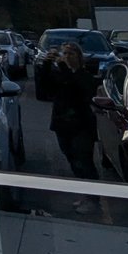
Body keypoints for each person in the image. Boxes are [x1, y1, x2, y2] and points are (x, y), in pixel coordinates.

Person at [42, 42, 100, 212]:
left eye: (71, 54)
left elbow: (80, 90)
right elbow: (46, 88)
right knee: (73, 161)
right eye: (64, 54)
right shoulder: (60, 75)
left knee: (84, 161)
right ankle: (84, 195)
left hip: (81, 126)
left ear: (79, 57)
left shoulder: (85, 76)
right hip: (62, 124)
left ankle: (93, 199)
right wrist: (46, 64)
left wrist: (62, 65)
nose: (67, 57)